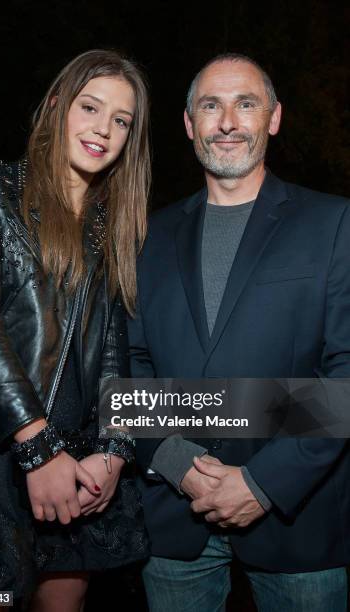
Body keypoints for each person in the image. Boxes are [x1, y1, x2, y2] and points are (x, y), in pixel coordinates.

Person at [128, 53, 350, 611]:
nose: (227, 121)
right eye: (211, 105)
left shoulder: (334, 223)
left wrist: (262, 483)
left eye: (245, 103)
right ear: (188, 124)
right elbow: (130, 365)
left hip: (300, 518)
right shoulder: (146, 235)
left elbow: (344, 372)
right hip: (174, 517)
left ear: (273, 118)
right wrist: (180, 466)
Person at [0, 49, 150, 612]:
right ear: (57, 104)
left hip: (78, 463)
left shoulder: (114, 229)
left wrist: (112, 450)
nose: (103, 129)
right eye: (90, 107)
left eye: (121, 120)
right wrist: (37, 450)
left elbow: (113, 350)